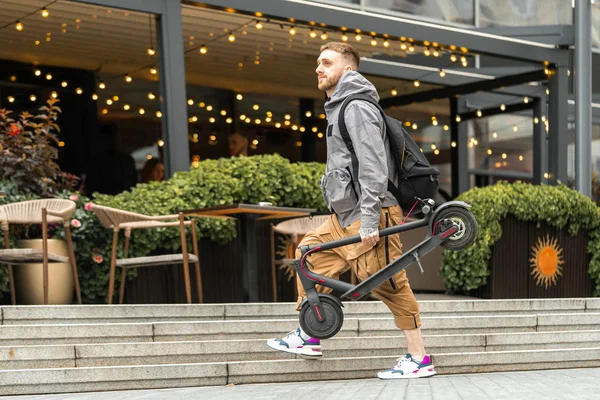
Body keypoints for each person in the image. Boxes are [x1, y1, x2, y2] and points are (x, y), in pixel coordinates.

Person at [266, 42, 436, 379]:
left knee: (389, 284)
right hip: (343, 217)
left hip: (368, 213)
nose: (319, 68)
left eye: (327, 63)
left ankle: (419, 359)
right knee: (308, 255)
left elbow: (373, 168)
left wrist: (371, 219)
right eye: (318, 62)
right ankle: (309, 334)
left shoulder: (356, 108)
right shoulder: (338, 107)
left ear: (348, 70)